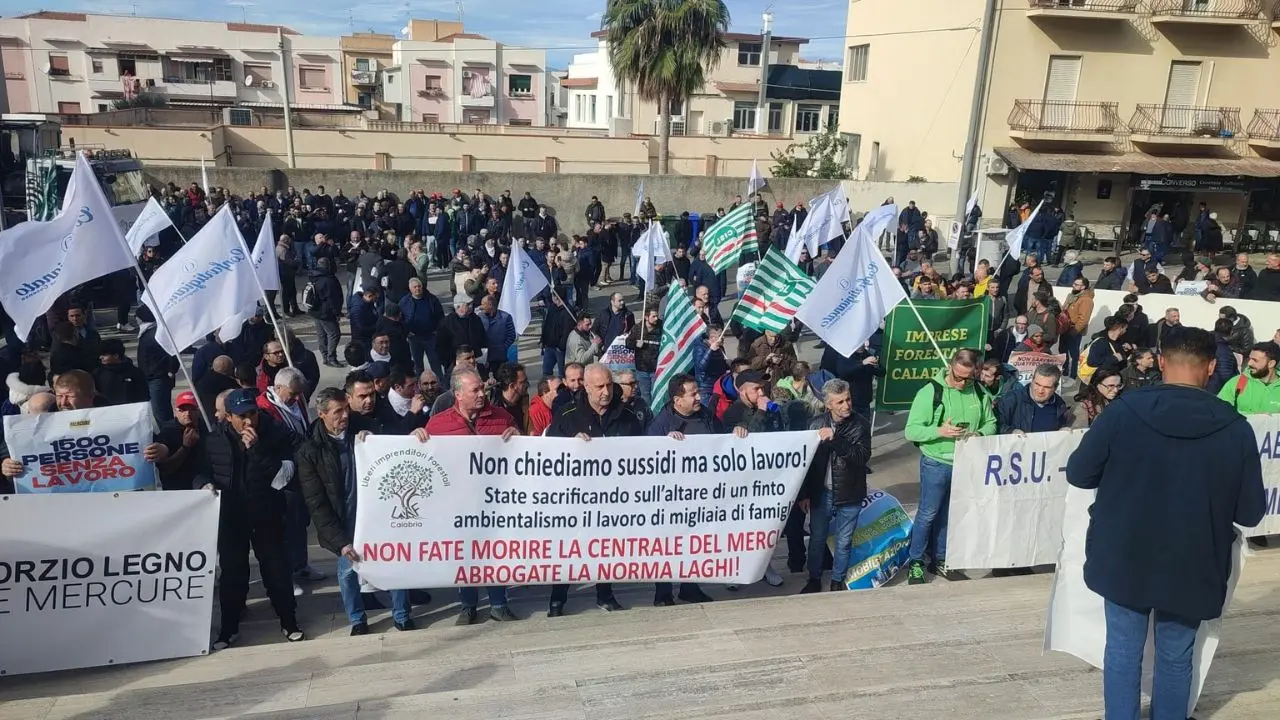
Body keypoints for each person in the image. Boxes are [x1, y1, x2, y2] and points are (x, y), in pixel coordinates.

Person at [1067, 328, 1265, 720]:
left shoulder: (1123, 411)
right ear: (1210, 368)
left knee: (1123, 652)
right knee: (1176, 657)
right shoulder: (1235, 426)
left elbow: (1079, 473)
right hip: (1194, 559)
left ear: (1160, 362)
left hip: (1124, 552)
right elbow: (1250, 513)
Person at [297, 387, 417, 635]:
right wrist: (340, 541)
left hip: (378, 516)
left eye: (345, 410)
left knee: (394, 564)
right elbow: (317, 503)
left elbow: (394, 451)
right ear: (322, 414)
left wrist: (373, 439)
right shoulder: (310, 452)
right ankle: (357, 620)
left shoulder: (364, 431)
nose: (344, 416)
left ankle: (402, 615)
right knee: (348, 571)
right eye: (337, 411)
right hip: (344, 523)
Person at [198, 388, 303, 649]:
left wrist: (256, 450)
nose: (249, 421)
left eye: (252, 414)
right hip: (231, 516)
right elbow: (201, 471)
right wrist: (204, 484)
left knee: (276, 568)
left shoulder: (275, 433)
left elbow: (284, 476)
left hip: (266, 511)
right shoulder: (214, 439)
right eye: (242, 416)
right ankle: (229, 628)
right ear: (229, 417)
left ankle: (288, 620)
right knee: (232, 572)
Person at [424, 369, 523, 623]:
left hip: (495, 503)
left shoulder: (502, 418)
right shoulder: (438, 424)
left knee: (493, 552)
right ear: (458, 394)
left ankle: (499, 604)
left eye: (482, 389)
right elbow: (426, 460)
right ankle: (467, 606)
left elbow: (522, 454)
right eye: (475, 390)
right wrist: (417, 438)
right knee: (464, 554)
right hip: (457, 505)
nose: (482, 393)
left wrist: (518, 438)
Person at [546, 363, 642, 616]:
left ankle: (605, 593)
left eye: (609, 385)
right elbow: (548, 455)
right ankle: (558, 598)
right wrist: (572, 448)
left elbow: (644, 454)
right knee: (568, 549)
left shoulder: (627, 416)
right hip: (574, 499)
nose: (605, 391)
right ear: (586, 387)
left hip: (612, 499)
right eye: (599, 386)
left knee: (605, 547)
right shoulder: (567, 415)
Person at [903, 349, 996, 584]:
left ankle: (940, 559)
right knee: (928, 513)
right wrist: (939, 431)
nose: (961, 382)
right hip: (936, 462)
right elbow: (911, 430)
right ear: (951, 366)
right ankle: (915, 561)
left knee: (949, 514)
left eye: (967, 378)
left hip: (964, 463)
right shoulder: (930, 392)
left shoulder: (978, 391)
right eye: (957, 376)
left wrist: (980, 433)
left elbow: (991, 422)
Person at [647, 373, 719, 605]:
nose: (699, 397)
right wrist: (663, 443)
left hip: (700, 494)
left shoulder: (705, 415)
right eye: (693, 394)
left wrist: (738, 431)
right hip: (670, 498)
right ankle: (663, 592)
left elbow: (722, 438)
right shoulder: (662, 424)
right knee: (667, 546)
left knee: (693, 542)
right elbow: (646, 456)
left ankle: (690, 587)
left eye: (698, 392)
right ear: (678, 400)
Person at [798, 379, 871, 594]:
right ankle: (814, 577)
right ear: (828, 404)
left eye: (848, 399)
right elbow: (805, 463)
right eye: (839, 402)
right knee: (817, 538)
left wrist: (836, 439)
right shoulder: (814, 424)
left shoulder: (860, 424)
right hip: (822, 493)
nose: (846, 405)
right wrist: (804, 494)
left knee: (844, 541)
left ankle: (838, 580)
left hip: (850, 491)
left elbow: (861, 457)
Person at [995, 364, 1073, 434]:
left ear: (1055, 387)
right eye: (1037, 384)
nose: (1040, 391)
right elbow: (996, 425)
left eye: (1046, 387)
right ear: (1032, 380)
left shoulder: (1059, 404)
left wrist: (1062, 433)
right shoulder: (1011, 399)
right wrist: (1011, 431)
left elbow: (1062, 425)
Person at [136, 306, 178, 424]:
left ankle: (168, 433)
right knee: (162, 409)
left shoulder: (155, 333)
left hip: (158, 377)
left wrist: (171, 370)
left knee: (160, 411)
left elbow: (172, 353)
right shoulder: (148, 332)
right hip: (153, 376)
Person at [1218, 341, 1280, 414]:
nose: (1249, 363)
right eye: (1250, 358)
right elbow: (1219, 411)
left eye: (1255, 360)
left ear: (1271, 364)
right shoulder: (1236, 382)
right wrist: (1254, 416)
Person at [308, 257, 345, 367]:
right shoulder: (329, 279)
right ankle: (331, 357)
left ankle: (325, 356)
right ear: (328, 265)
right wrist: (337, 312)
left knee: (321, 334)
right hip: (326, 312)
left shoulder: (313, 276)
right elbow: (333, 299)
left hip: (315, 311)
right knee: (334, 334)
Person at [92, 337, 148, 406]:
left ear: (116, 356)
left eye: (104, 355)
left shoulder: (134, 372)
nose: (101, 357)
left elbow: (143, 395)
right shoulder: (98, 373)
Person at [625, 307, 662, 404]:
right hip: (642, 369)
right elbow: (627, 343)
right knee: (645, 395)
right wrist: (635, 344)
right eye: (653, 316)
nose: (656, 318)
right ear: (646, 317)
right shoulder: (638, 328)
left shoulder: (661, 327)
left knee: (657, 395)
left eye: (657, 316)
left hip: (656, 369)